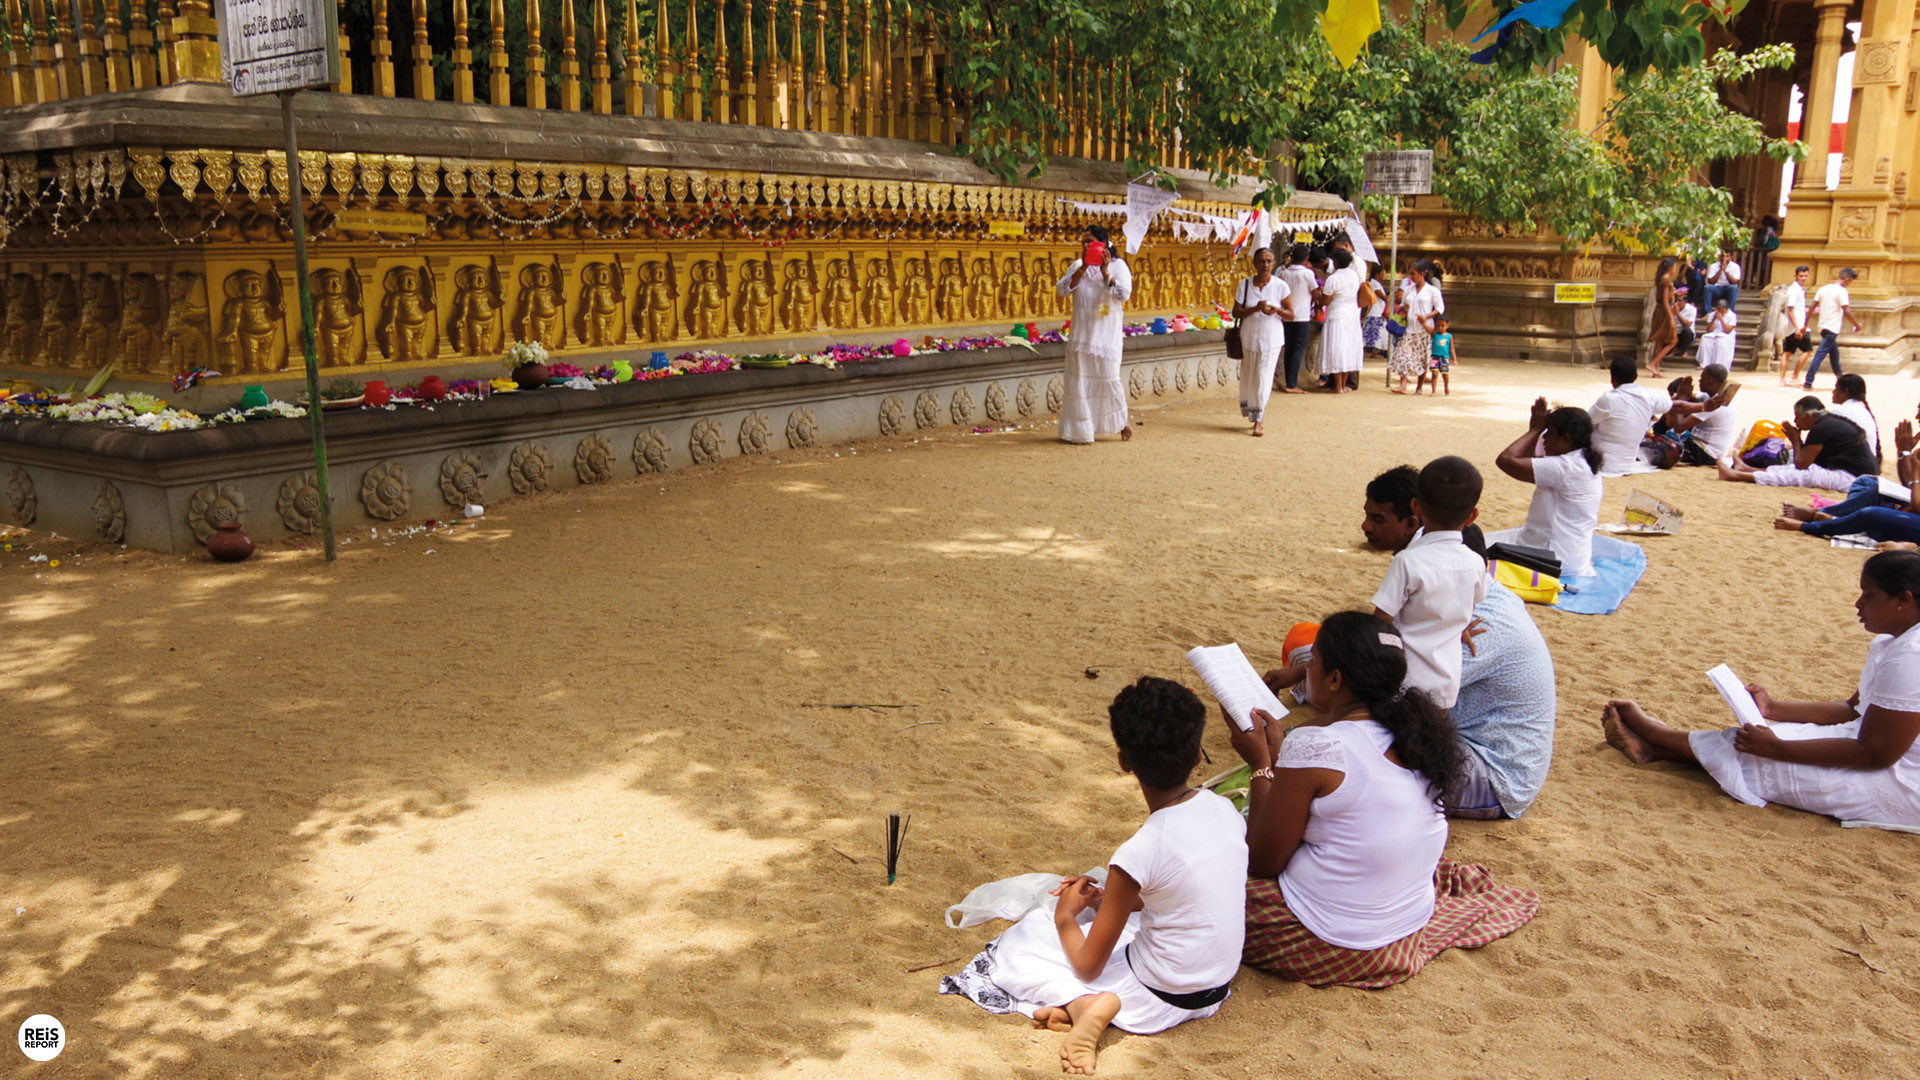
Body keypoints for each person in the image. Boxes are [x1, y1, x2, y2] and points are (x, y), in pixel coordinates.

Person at [943, 677, 1246, 1074]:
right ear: (1196, 757)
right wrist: (1108, 900)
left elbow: (1089, 966)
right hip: (1214, 989)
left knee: (1024, 939)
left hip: (1157, 995)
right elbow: (1180, 888)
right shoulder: (1224, 809)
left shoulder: (1138, 852)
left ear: (1124, 761)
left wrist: (1066, 915)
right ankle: (1083, 1005)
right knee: (1128, 922)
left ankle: (1088, 1005)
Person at [1231, 612, 1539, 987]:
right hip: (1406, 925)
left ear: (1334, 679)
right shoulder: (1419, 736)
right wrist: (1283, 758)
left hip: (1336, 938)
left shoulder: (1318, 743)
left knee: (1205, 884)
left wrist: (1261, 764)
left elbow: (1262, 862)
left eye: (1312, 662)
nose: (1305, 670)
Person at [1602, 550, 1920, 830]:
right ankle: (1659, 748)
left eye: (1869, 595)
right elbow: (1852, 710)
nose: (1858, 603)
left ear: (1903, 600)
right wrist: (1773, 709)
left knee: (1760, 754)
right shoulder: (1896, 642)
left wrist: (1779, 749)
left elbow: (1876, 755)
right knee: (1765, 735)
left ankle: (1659, 739)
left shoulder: (1911, 656)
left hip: (1903, 782)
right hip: (1875, 747)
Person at [1450, 527, 1558, 819]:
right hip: (1480, 752)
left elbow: (1402, 688)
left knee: (1367, 757)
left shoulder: (1483, 622)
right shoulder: (1475, 596)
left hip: (1495, 777)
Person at [1495, 399, 1604, 579]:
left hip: (1553, 558)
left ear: (1565, 439)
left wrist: (1534, 430)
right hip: (1569, 555)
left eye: (1549, 433)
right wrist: (1536, 429)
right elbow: (1526, 459)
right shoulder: (1581, 460)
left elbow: (1506, 460)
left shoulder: (1565, 467)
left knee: (1472, 545)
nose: (1544, 439)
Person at [1054, 226, 1133, 444]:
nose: (1087, 246)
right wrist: (1084, 267)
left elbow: (1124, 294)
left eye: (1091, 242)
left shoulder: (1118, 266)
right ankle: (1082, 430)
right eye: (1084, 243)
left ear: (1105, 243)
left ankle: (1121, 421)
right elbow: (1062, 290)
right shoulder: (1079, 265)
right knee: (1079, 381)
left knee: (1110, 378)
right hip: (1082, 334)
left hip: (1106, 335)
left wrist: (1106, 273)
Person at [1717, 395, 1878, 492]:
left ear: (1808, 416)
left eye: (1797, 416)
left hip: (1854, 478)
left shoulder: (1822, 428)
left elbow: (1801, 464)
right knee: (1797, 469)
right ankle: (1748, 469)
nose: (1795, 421)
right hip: (1856, 474)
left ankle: (1736, 475)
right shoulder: (1827, 422)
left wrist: (1795, 440)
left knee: (1802, 474)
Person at [1231, 246, 1292, 437]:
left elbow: (1291, 314)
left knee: (1263, 376)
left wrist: (1277, 310)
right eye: (1261, 261)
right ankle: (1252, 411)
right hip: (1249, 337)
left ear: (1274, 264)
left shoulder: (1280, 286)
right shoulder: (1246, 284)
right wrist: (1255, 308)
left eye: (1268, 261)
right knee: (1250, 375)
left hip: (1271, 338)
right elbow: (1236, 312)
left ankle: (1259, 419)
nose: (1265, 265)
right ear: (1254, 264)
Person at [1589, 355, 1674, 475]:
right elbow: (1673, 405)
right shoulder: (1649, 394)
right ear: (1636, 376)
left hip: (1604, 464)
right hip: (1628, 463)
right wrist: (1701, 406)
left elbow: (1585, 422)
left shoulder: (1608, 399)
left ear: (1612, 379)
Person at [1659, 364, 1740, 466]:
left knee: (1662, 448)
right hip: (1704, 448)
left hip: (1706, 453)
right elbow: (1691, 398)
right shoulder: (1712, 396)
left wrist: (1681, 397)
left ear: (1710, 381)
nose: (1699, 381)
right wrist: (1683, 393)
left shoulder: (1716, 404)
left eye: (1702, 378)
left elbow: (1679, 427)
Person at [1389, 261, 1443, 395]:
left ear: (1421, 274)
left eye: (1413, 274)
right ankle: (1403, 384)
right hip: (1409, 328)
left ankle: (1419, 387)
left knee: (1422, 358)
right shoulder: (1408, 290)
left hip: (1424, 328)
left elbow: (1440, 308)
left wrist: (1427, 316)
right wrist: (1404, 309)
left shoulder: (1432, 291)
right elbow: (1402, 305)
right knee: (1403, 354)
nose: (1411, 277)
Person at [1317, 248, 1365, 394]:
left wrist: (1319, 298)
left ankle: (1338, 386)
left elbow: (1325, 300)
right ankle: (1343, 385)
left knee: (1337, 350)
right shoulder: (1355, 275)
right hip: (1351, 315)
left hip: (1337, 316)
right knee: (1348, 350)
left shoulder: (1333, 278)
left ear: (1336, 262)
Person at [1806, 267, 1862, 389]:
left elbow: (1811, 307)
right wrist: (1856, 325)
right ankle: (1808, 382)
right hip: (1832, 327)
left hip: (1823, 326)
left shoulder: (1823, 289)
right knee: (1819, 356)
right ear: (1847, 279)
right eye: (1850, 281)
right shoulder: (1842, 291)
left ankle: (1840, 381)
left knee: (1834, 356)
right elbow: (1846, 310)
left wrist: (1805, 323)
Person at [1277, 243, 1317, 394]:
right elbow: (1314, 292)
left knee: (1289, 348)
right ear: (1306, 258)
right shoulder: (1307, 274)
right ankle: (1292, 383)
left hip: (1287, 315)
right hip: (1301, 316)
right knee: (1298, 349)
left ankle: (1289, 380)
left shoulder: (1284, 273)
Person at [1830, 373, 1881, 466]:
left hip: (1854, 466)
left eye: (1836, 388)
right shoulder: (1863, 410)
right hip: (1870, 463)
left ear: (1845, 392)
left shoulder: (1840, 412)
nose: (1833, 392)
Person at [1778, 265, 1812, 386]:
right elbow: (1791, 309)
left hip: (1792, 326)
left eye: (1805, 276)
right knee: (1808, 350)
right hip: (1797, 326)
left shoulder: (1799, 289)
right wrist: (1798, 328)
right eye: (1801, 276)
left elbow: (1797, 308)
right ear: (1796, 276)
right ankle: (1794, 376)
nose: (1803, 278)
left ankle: (1782, 379)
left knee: (1787, 352)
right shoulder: (1794, 290)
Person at [1647, 256, 1680, 376]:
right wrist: (1671, 318)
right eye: (1675, 267)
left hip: (1660, 309)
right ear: (1670, 268)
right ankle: (1653, 363)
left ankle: (1656, 370)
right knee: (1673, 340)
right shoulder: (1666, 280)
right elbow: (1666, 300)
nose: (1675, 269)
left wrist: (1674, 293)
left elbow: (1665, 296)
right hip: (1665, 311)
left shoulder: (1662, 279)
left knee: (1659, 341)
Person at [1697, 297, 1736, 370]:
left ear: (1726, 308)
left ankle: (1718, 364)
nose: (1720, 312)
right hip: (1714, 333)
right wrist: (1714, 318)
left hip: (1726, 334)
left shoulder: (1732, 315)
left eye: (1722, 310)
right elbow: (1709, 330)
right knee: (1705, 338)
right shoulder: (1712, 315)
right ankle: (1705, 364)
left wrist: (1721, 319)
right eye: (1718, 310)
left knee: (1720, 340)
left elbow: (1728, 330)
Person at [1418, 315, 1454, 396]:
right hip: (1434, 357)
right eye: (1438, 325)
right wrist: (1423, 322)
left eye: (1442, 325)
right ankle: (1433, 391)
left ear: (1448, 325)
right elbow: (1427, 328)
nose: (1440, 328)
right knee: (1434, 374)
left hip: (1444, 358)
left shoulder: (1449, 336)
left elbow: (1452, 348)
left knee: (1445, 374)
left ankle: (1446, 387)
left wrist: (1454, 359)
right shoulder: (1435, 334)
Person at [1362, 266, 1389, 356]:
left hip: (1379, 311)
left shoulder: (1377, 283)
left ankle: (1378, 349)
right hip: (1375, 311)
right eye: (1382, 272)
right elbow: (1383, 297)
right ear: (1378, 274)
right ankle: (1373, 349)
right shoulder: (1374, 284)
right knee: (1375, 331)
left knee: (1380, 331)